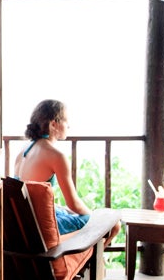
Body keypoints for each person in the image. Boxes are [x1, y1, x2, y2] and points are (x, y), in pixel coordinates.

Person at [13, 99, 101, 235]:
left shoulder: (24, 150)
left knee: (65, 210)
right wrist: (93, 217)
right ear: (54, 124)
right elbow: (74, 204)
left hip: (25, 223)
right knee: (101, 221)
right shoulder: (56, 156)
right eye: (66, 121)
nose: (69, 126)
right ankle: (94, 256)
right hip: (41, 227)